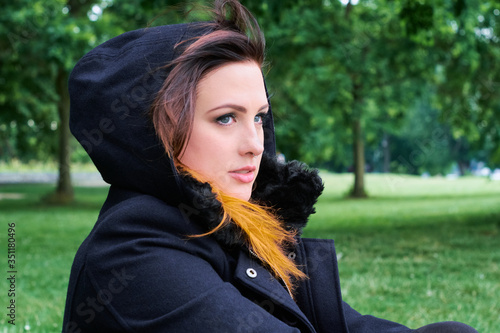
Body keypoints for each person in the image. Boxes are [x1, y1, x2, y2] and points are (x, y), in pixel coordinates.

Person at [62, 1, 478, 332]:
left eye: (259, 116)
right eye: (225, 118)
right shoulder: (130, 256)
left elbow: (341, 323)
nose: (254, 145)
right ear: (157, 133)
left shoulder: (239, 224)